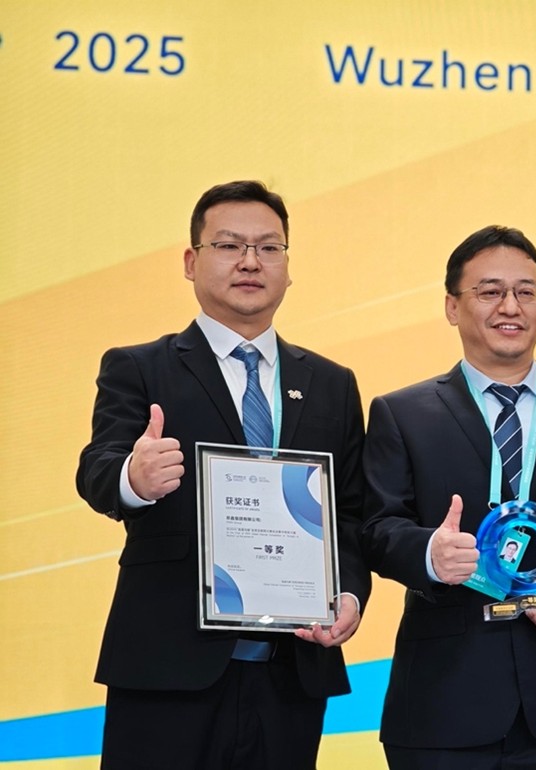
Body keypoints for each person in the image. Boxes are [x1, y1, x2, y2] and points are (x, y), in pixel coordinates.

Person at [76, 180, 371, 770]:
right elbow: (97, 470)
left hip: (292, 670)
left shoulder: (331, 383)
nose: (250, 262)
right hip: (167, 666)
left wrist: (349, 592)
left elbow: (352, 513)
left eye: (269, 248)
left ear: (288, 266)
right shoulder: (140, 367)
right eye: (229, 245)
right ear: (191, 261)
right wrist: (134, 477)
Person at [362, 224, 536, 769]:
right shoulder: (402, 414)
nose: (510, 306)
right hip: (443, 703)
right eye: (490, 291)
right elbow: (376, 527)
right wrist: (430, 553)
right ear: (452, 306)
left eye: (526, 291)